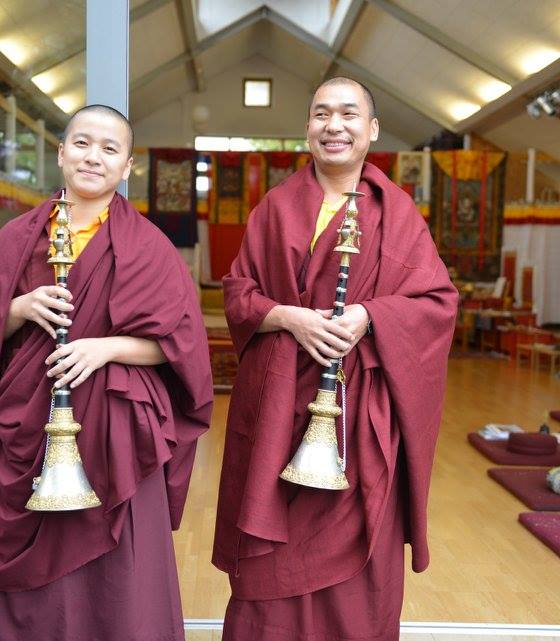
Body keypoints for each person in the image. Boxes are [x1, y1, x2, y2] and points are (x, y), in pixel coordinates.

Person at [0, 104, 212, 641]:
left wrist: (107, 348)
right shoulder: (16, 239)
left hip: (116, 431)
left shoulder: (150, 247)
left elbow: (180, 347)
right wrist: (17, 309)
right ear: (62, 152)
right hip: (30, 429)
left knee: (120, 577)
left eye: (110, 149)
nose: (94, 157)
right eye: (83, 144)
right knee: (33, 590)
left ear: (128, 166)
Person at [213, 78, 458, 641]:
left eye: (349, 114)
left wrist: (371, 317)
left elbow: (436, 303)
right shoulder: (275, 208)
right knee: (268, 562)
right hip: (281, 406)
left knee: (355, 568)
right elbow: (239, 291)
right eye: (321, 114)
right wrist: (287, 317)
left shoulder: (396, 213)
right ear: (307, 129)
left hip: (358, 415)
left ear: (372, 131)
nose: (334, 125)